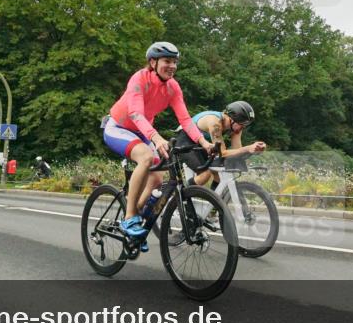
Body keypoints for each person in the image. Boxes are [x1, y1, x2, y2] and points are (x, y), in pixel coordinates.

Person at [102, 42, 215, 249]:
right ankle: (129, 218)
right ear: (153, 62)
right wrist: (156, 138)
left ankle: (136, 213)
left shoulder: (173, 87)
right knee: (146, 157)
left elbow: (186, 120)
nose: (171, 66)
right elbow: (135, 113)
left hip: (142, 132)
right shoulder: (139, 79)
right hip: (118, 127)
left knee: (157, 176)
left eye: (174, 62)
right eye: (167, 61)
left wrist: (203, 142)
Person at [175, 101, 267, 188]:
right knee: (204, 175)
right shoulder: (215, 123)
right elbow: (222, 153)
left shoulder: (236, 127)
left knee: (219, 174)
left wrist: (255, 150)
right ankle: (181, 198)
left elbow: (237, 151)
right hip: (186, 139)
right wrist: (247, 148)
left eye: (246, 125)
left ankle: (214, 204)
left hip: (203, 144)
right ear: (231, 119)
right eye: (242, 124)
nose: (243, 127)